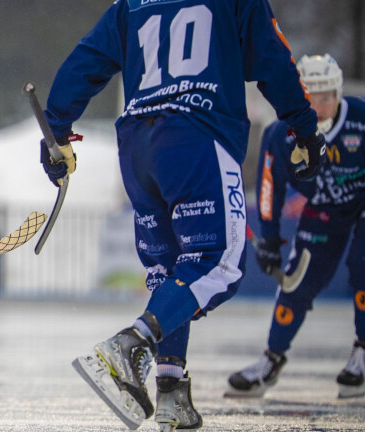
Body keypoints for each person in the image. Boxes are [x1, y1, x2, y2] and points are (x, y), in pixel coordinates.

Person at [41, 1, 328, 430]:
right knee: (218, 262)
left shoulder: (130, 3)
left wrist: (56, 131)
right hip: (197, 134)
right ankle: (132, 344)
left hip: (138, 146)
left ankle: (171, 390)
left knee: (170, 272)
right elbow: (272, 58)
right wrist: (304, 128)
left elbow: (85, 60)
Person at [226, 54, 365, 400]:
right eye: (310, 97)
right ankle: (272, 359)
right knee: (296, 282)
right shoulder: (280, 134)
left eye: (326, 97)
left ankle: (362, 350)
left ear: (338, 94)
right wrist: (270, 239)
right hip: (323, 211)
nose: (319, 107)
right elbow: (269, 187)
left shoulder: (360, 118)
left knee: (362, 265)